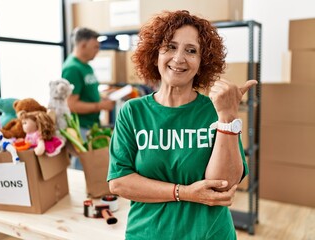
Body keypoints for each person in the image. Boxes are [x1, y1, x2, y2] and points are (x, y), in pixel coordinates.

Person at [107, 10, 257, 240]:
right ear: (155, 52)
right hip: (148, 234)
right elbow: (119, 183)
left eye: (191, 50)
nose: (179, 58)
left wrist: (227, 117)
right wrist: (185, 193)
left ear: (202, 61)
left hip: (210, 234)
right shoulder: (132, 112)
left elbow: (223, 185)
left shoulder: (214, 111)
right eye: (170, 46)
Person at [62, 27, 115, 169]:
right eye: (95, 47)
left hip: (91, 125)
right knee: (83, 167)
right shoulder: (72, 68)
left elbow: (87, 92)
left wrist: (104, 96)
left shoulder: (86, 66)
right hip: (81, 127)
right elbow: (72, 105)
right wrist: (100, 106)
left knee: (93, 167)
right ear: (83, 45)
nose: (97, 50)